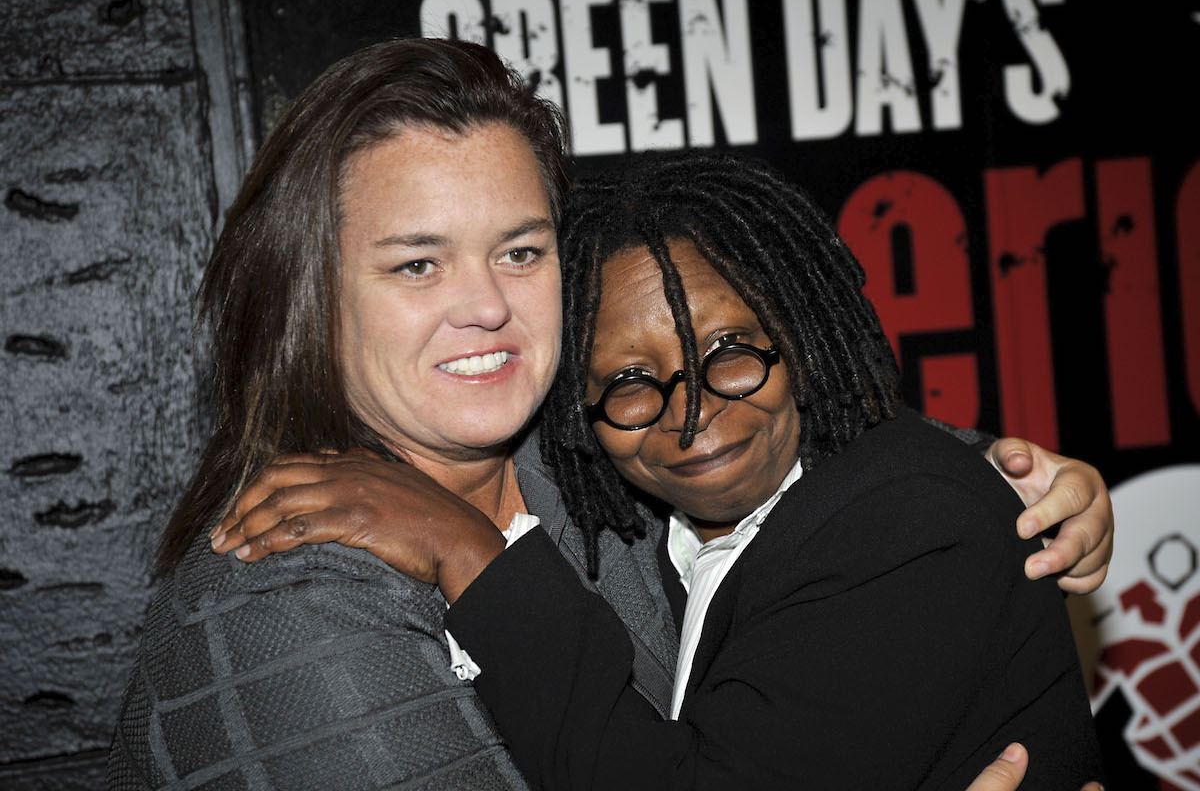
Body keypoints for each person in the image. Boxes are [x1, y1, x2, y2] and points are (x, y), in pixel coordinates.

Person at [110, 38, 1110, 789]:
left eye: (521, 251)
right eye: (417, 263)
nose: (486, 304)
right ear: (307, 295)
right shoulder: (283, 601)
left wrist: (1003, 476)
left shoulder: (583, 472)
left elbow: (792, 459)